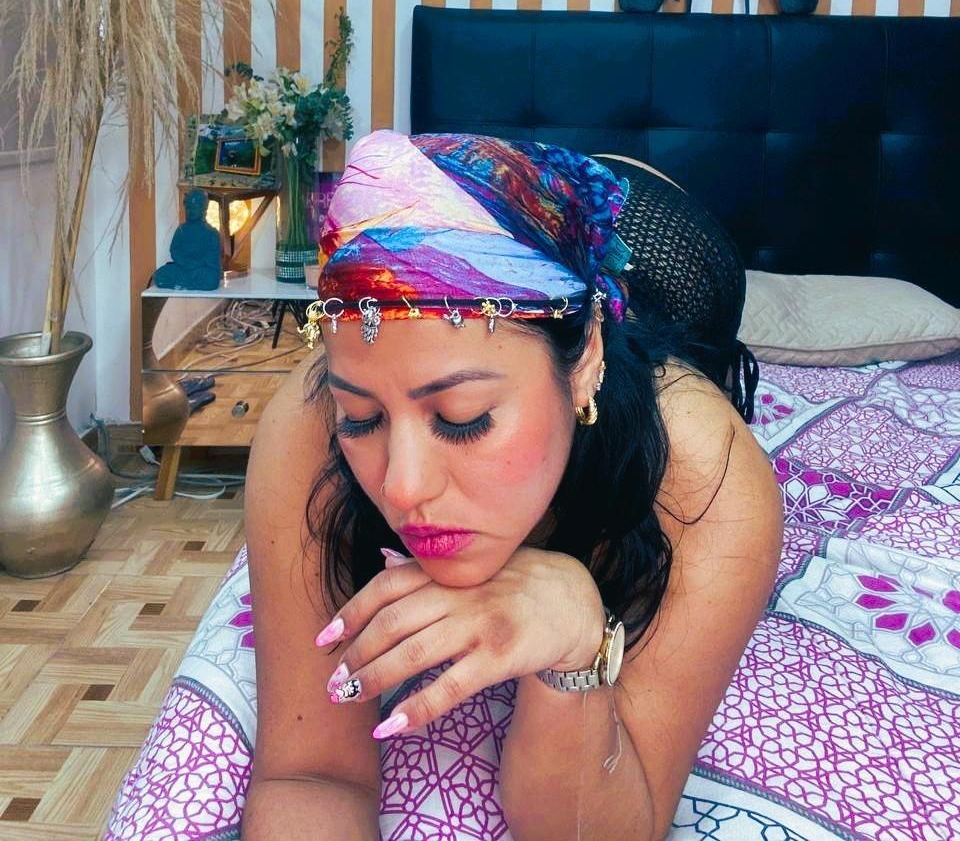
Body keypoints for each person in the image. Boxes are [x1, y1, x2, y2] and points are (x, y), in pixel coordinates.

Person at [106, 129, 782, 841]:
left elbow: (611, 829)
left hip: (673, 262)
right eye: (363, 419)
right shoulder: (310, 419)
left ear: (584, 362)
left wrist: (574, 648)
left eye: (462, 419)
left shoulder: (706, 470)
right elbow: (310, 775)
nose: (402, 488)